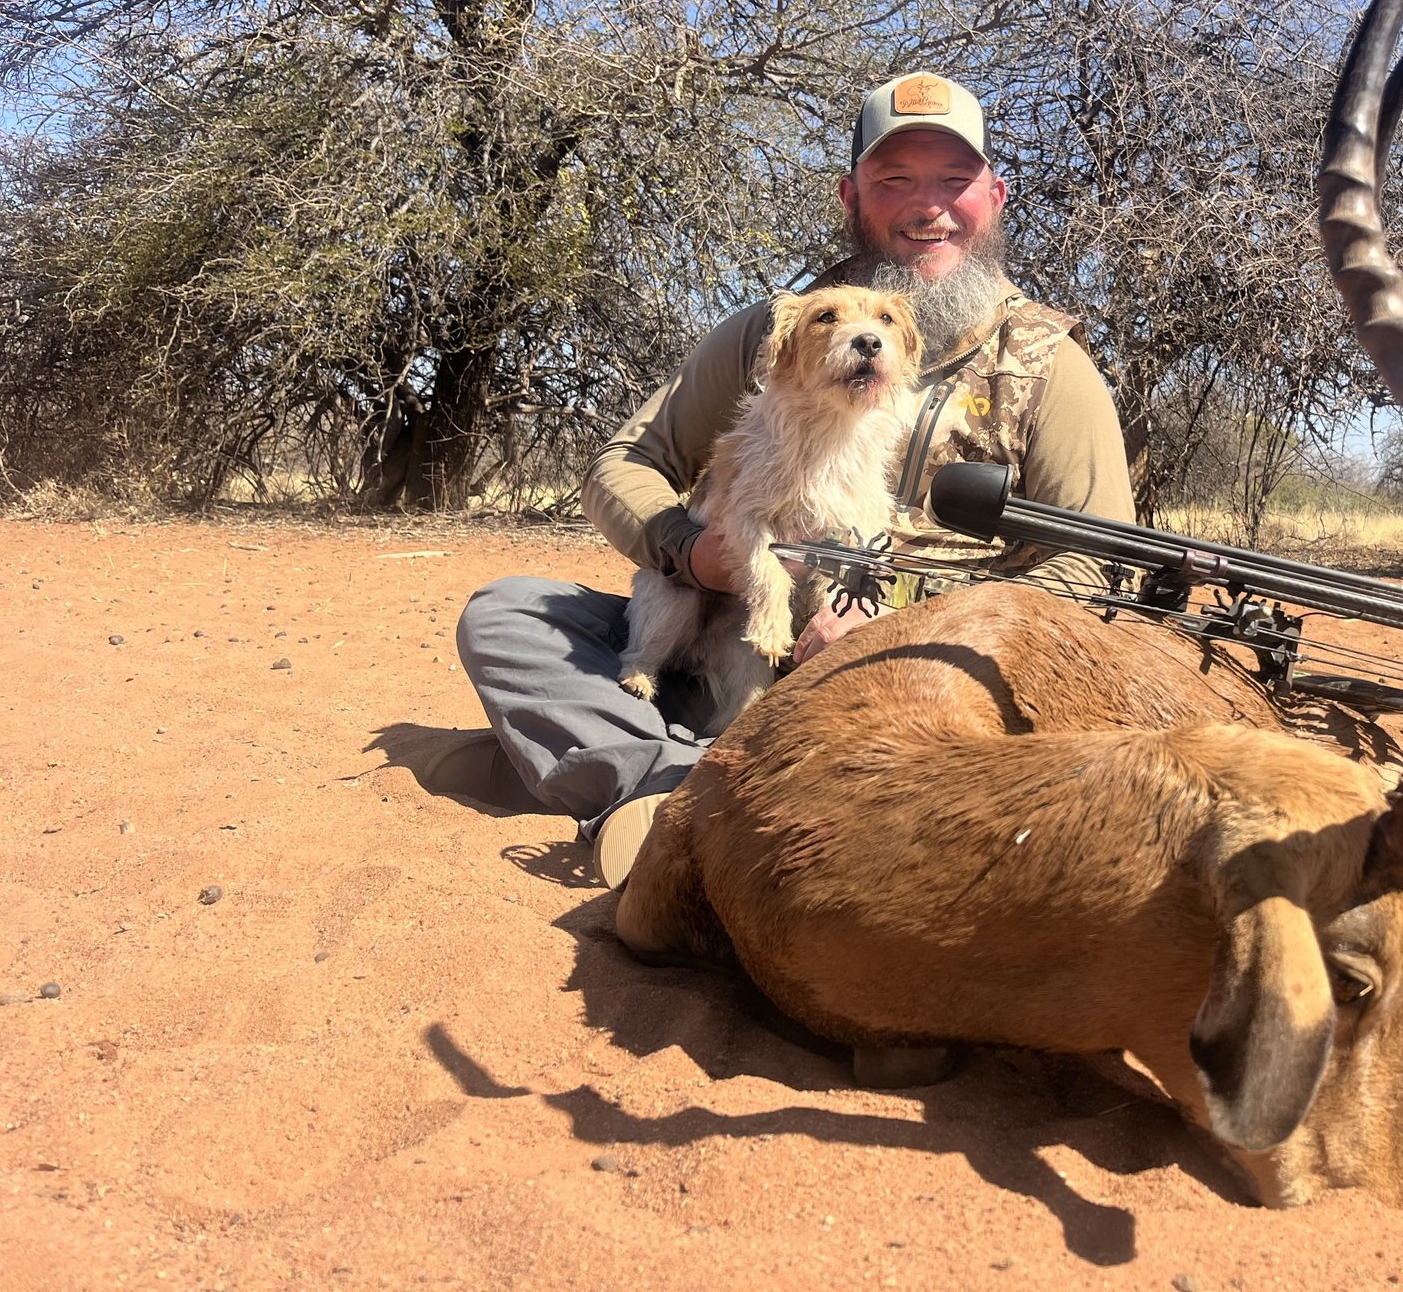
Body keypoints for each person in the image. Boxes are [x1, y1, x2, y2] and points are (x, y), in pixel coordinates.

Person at [453, 72, 1134, 888]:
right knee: (508, 616)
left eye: (955, 181)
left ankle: (676, 788)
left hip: (905, 681)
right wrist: (688, 552)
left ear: (996, 195)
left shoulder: (1051, 367)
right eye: (896, 180)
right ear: (851, 194)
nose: (930, 207)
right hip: (722, 634)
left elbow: (1096, 563)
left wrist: (914, 634)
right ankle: (681, 790)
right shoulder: (774, 331)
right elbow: (620, 466)